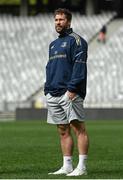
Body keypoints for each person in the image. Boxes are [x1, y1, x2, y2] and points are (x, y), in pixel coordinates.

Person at [44, 8, 89, 176]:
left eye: (61, 20)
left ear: (68, 22)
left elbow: (79, 66)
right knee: (63, 130)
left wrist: (72, 89)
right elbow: (49, 67)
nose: (58, 22)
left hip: (69, 92)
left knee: (79, 129)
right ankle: (67, 166)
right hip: (53, 93)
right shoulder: (53, 44)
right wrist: (47, 89)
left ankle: (82, 167)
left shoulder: (77, 41)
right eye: (56, 20)